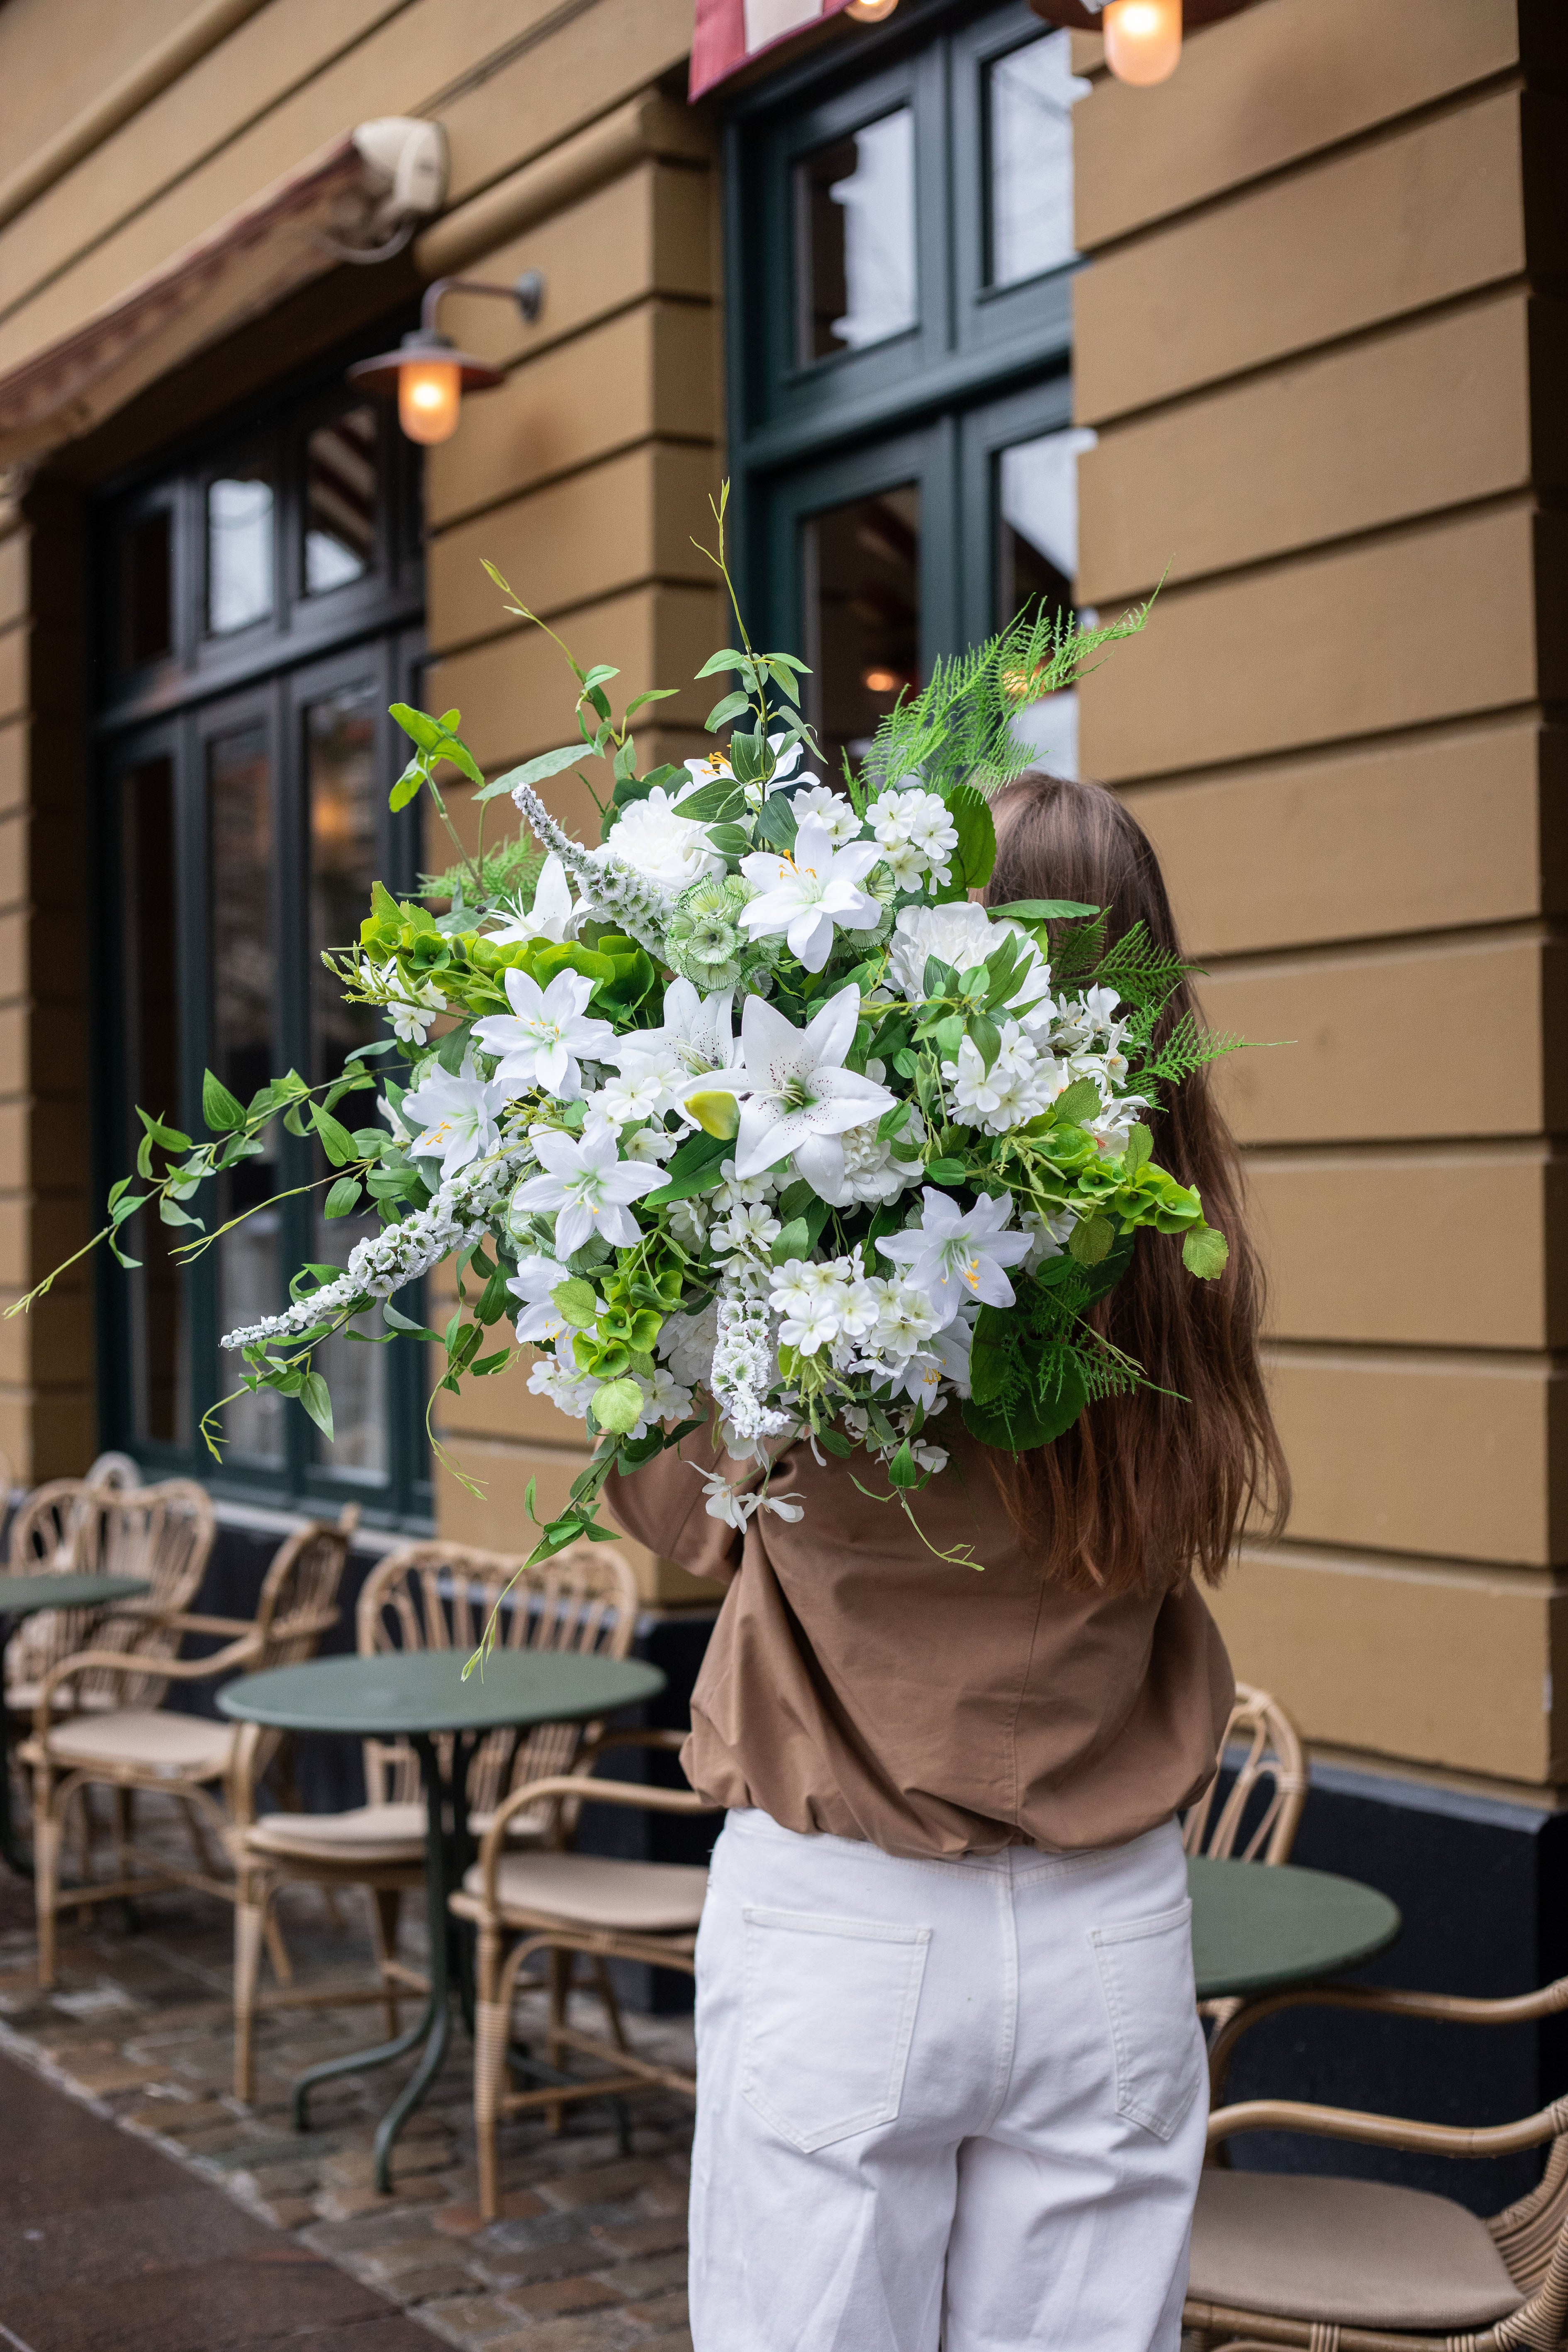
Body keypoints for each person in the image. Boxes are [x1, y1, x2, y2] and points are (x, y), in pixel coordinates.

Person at [606, 771, 1289, 2352]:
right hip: (1114, 1925)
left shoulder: (836, 1257)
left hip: (851, 1923)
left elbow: (690, 1523)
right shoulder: (1181, 1265)